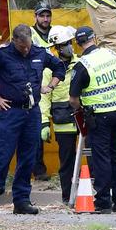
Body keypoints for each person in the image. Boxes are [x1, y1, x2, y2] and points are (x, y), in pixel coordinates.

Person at [0, 24, 66, 214]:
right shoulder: (2, 54)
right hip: (11, 111)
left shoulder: (40, 52)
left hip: (32, 112)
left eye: (27, 45)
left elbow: (59, 67)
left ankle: (22, 200)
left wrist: (51, 85)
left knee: (28, 157)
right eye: (21, 46)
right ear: (14, 41)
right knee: (3, 155)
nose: (25, 49)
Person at [69, 26, 116, 213]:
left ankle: (103, 202)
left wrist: (80, 110)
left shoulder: (82, 65)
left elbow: (73, 98)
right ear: (94, 38)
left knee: (101, 157)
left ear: (78, 44)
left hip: (100, 115)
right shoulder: (112, 55)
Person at [44, 26, 80, 204]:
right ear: (57, 48)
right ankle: (67, 197)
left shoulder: (81, 63)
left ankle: (91, 193)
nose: (69, 47)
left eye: (69, 43)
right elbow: (44, 98)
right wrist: (44, 123)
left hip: (82, 117)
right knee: (67, 162)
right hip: (62, 121)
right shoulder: (49, 69)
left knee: (92, 157)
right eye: (64, 45)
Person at [30, 2, 53, 179]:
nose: (45, 19)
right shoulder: (30, 34)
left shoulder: (56, 32)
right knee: (38, 127)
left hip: (55, 84)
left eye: (47, 15)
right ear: (35, 16)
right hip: (37, 85)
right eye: (42, 15)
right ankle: (38, 170)